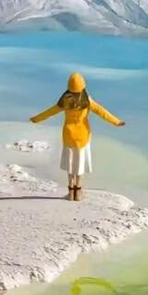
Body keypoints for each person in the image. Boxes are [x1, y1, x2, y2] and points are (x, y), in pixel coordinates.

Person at [30, 72, 125, 201]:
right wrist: (117, 122)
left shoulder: (64, 101)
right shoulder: (87, 101)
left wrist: (36, 119)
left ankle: (70, 193)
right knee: (79, 165)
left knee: (70, 165)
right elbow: (102, 112)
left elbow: (50, 112)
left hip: (69, 136)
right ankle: (78, 192)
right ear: (83, 86)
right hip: (83, 136)